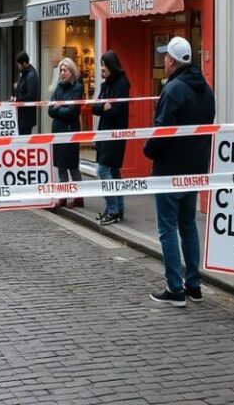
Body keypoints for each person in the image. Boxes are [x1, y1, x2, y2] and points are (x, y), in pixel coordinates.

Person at [144, 36, 215, 307]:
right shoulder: (205, 88)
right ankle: (193, 285)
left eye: (165, 56)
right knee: (187, 225)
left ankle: (174, 288)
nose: (164, 60)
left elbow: (162, 130)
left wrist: (149, 151)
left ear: (171, 61)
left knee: (167, 228)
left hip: (170, 169)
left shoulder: (173, 89)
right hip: (195, 168)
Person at [92, 51, 130, 226]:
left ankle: (113, 209)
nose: (101, 68)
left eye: (104, 65)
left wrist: (105, 108)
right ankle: (117, 209)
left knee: (102, 170)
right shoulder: (105, 84)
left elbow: (117, 110)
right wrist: (103, 107)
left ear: (111, 66)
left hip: (115, 134)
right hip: (104, 132)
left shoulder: (122, 84)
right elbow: (95, 108)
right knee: (113, 171)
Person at [48, 58, 84, 210]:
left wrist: (58, 108)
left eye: (65, 70)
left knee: (72, 166)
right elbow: (50, 110)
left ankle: (79, 197)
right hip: (57, 130)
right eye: (61, 70)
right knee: (60, 166)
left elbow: (72, 111)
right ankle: (62, 196)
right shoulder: (58, 87)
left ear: (72, 71)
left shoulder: (77, 88)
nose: (62, 73)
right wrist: (58, 108)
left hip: (70, 131)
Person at [13, 51, 38, 136]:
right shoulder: (25, 73)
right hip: (22, 114)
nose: (18, 66)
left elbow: (31, 95)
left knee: (24, 136)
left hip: (26, 116)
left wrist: (17, 101)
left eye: (18, 64)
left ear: (24, 63)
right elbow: (23, 88)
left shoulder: (31, 75)